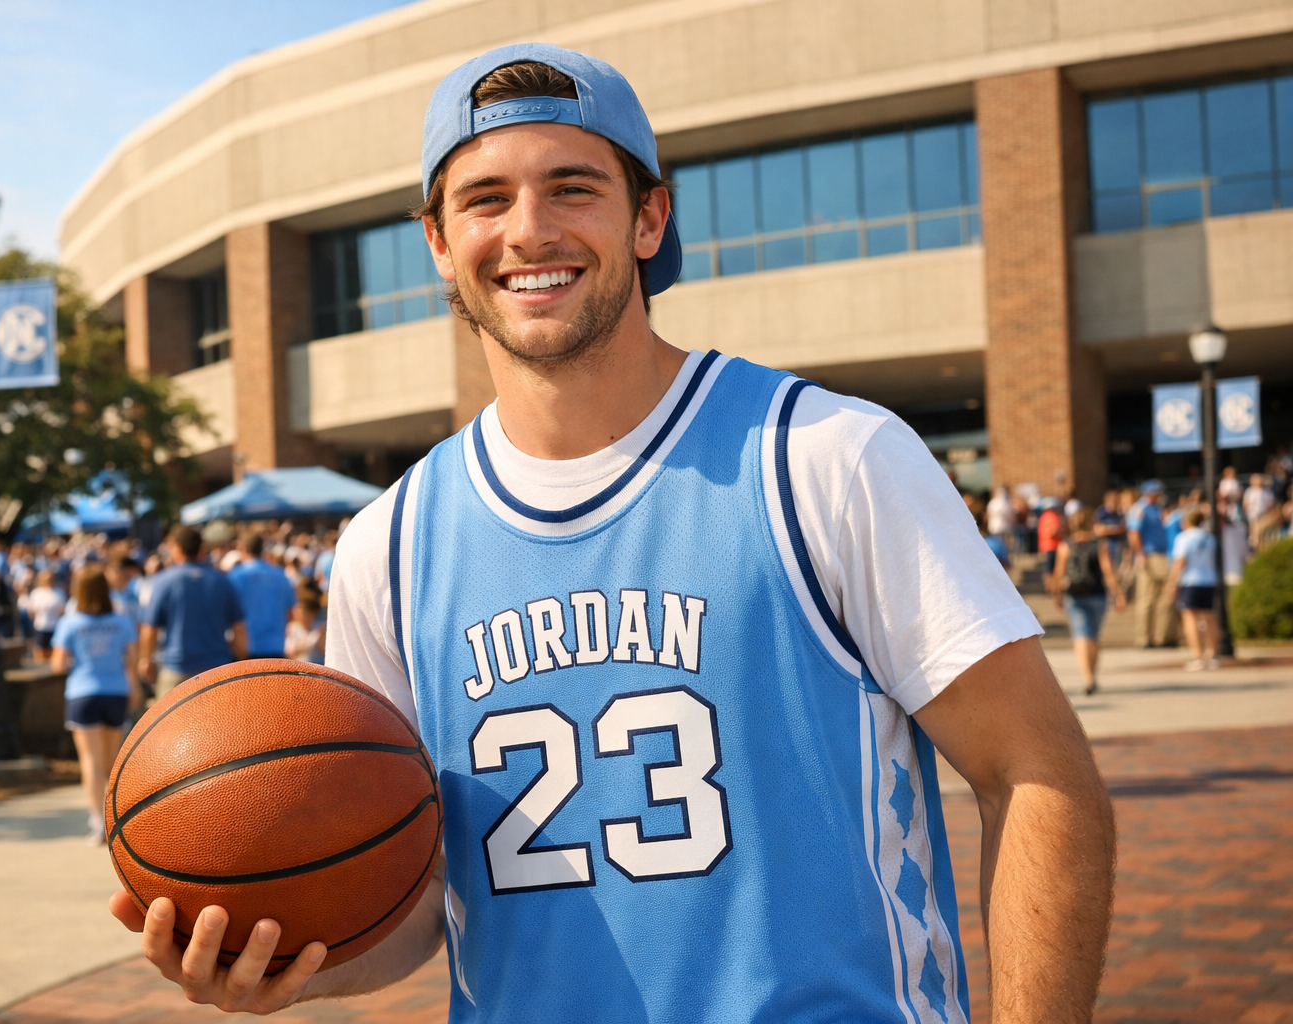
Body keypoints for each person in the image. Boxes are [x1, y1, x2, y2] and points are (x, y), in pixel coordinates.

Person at [112, 46, 1114, 1021]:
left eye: (573, 187)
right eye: (486, 198)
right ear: (437, 241)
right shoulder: (392, 543)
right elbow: (417, 898)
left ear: (650, 216)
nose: (530, 230)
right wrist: (294, 962)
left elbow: (1036, 774)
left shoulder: (826, 458)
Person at [51, 564, 141, 844]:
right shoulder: (121, 621)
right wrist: (134, 687)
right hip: (114, 691)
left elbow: (57, 664)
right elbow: (132, 660)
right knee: (112, 763)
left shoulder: (70, 622)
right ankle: (116, 819)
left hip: (82, 692)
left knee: (90, 761)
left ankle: (96, 820)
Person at [137, 524, 246, 697]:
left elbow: (149, 629)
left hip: (177, 670)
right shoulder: (221, 581)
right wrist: (241, 658)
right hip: (217, 669)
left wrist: (146, 660)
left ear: (178, 548)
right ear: (201, 549)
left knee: (170, 724)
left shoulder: (163, 581)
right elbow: (239, 628)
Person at [1052, 507, 1125, 695]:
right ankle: (1093, 675)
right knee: (1093, 636)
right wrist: (1118, 593)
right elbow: (1108, 570)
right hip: (1097, 594)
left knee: (1081, 635)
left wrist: (1057, 595)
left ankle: (1088, 678)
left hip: (1075, 595)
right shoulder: (1100, 544)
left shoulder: (1065, 545)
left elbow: (1059, 572)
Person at [228, 534, 297, 660]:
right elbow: (290, 613)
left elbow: (230, 615)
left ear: (242, 548)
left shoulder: (236, 576)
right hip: (276, 648)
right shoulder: (280, 576)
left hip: (246, 649)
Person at [1168, 507, 1221, 671]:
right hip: (1208, 579)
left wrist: (1172, 580)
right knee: (1209, 617)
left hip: (1190, 580)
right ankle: (1212, 654)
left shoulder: (1183, 538)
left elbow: (1180, 561)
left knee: (1190, 618)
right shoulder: (1209, 538)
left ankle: (1198, 655)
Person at [1127, 480, 1173, 648]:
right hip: (1149, 554)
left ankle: (1162, 636)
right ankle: (1144, 638)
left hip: (1161, 554)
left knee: (1164, 597)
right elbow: (1133, 533)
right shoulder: (1140, 509)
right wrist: (1141, 554)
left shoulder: (1157, 508)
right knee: (1146, 598)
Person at [24, 569, 66, 663]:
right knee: (40, 649)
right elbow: (31, 610)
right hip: (41, 625)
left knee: (54, 649)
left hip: (55, 626)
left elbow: (62, 610)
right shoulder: (36, 592)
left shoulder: (59, 592)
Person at [283, 583, 326, 664]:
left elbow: (324, 650)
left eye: (304, 613)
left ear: (313, 613)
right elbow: (289, 652)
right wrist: (310, 640)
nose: (301, 616)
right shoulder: (292, 628)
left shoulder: (320, 628)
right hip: (297, 668)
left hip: (317, 668)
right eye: (298, 612)